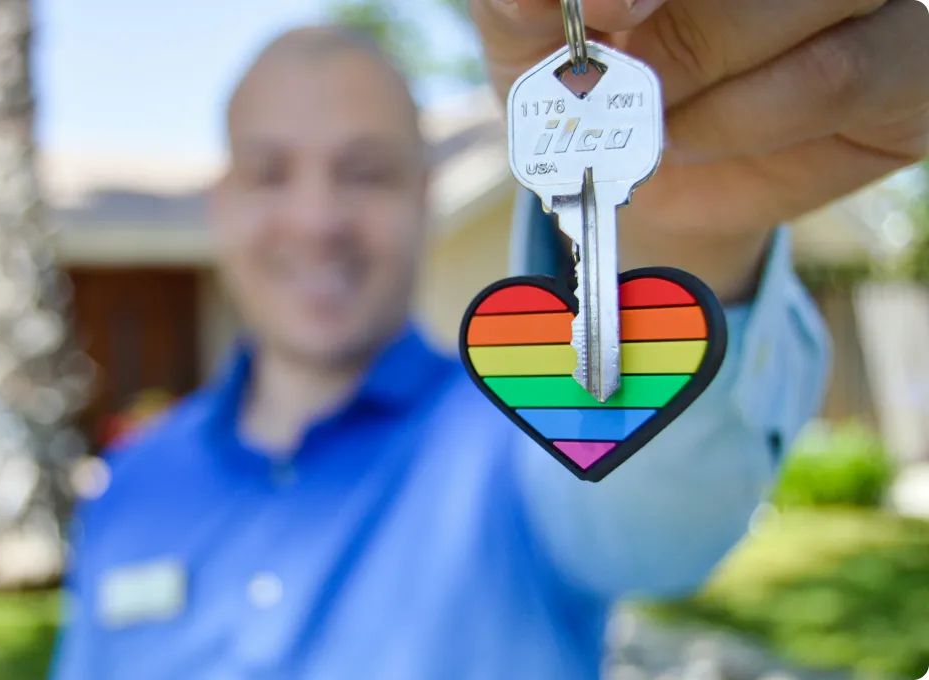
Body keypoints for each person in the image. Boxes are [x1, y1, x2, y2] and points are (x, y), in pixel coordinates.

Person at [52, 1, 927, 677]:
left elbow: (663, 534)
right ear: (222, 203)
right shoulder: (131, 485)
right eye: (271, 172)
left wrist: (684, 234)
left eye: (366, 172)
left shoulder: (523, 431)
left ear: (424, 198)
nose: (317, 219)